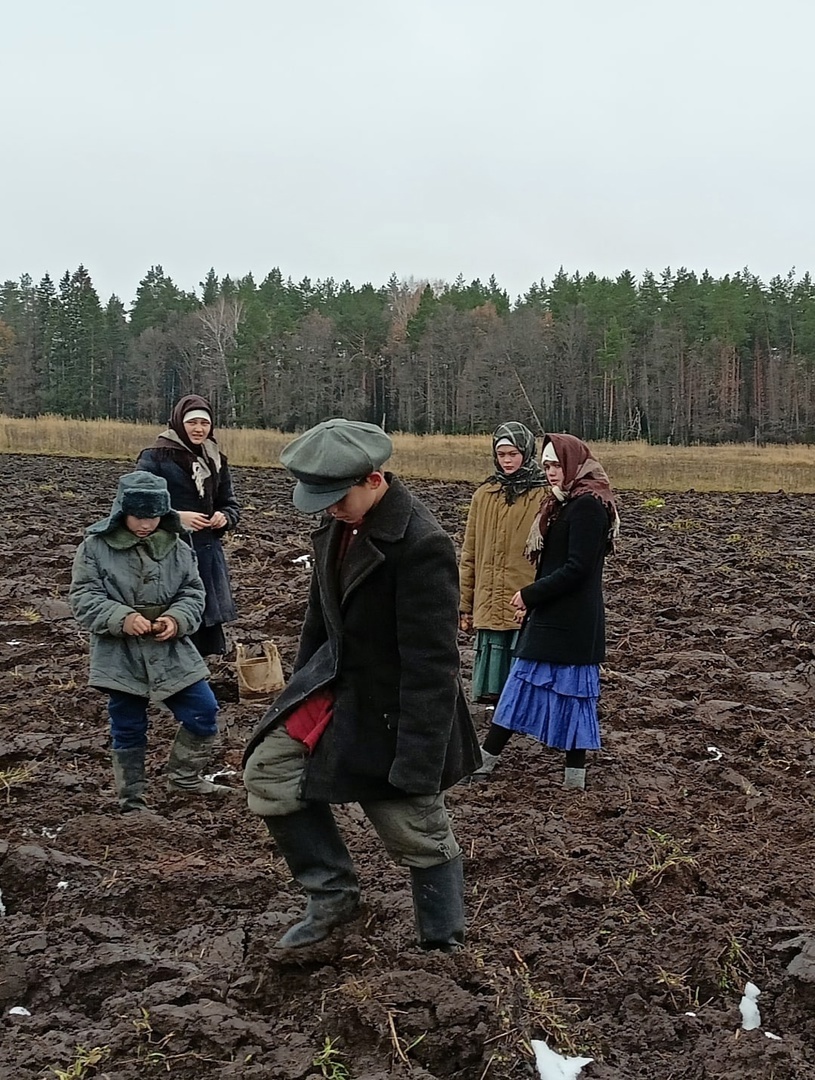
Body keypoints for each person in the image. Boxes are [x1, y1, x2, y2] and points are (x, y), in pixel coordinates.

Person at [243, 418, 480, 952]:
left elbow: (433, 665)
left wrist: (418, 761)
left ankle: (443, 946)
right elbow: (318, 621)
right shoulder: (335, 525)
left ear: (374, 480)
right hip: (332, 689)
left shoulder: (421, 545)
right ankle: (332, 897)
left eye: (336, 496)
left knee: (414, 828)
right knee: (268, 773)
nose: (326, 507)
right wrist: (297, 692)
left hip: (393, 710)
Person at [69, 471, 232, 813]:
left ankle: (184, 777)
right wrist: (122, 619)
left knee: (203, 711)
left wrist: (176, 619)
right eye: (138, 516)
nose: (145, 524)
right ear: (121, 511)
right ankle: (132, 800)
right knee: (128, 725)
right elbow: (84, 597)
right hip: (119, 651)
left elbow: (193, 591)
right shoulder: (95, 546)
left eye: (153, 517)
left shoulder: (177, 543)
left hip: (170, 646)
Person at [472, 433, 619, 790]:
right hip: (555, 616)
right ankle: (486, 762)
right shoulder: (564, 503)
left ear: (574, 464)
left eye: (556, 465)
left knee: (569, 695)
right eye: (548, 465)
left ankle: (492, 763)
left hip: (571, 621)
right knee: (525, 685)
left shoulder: (587, 506)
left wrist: (530, 594)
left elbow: (578, 568)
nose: (551, 472)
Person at [136, 394, 239, 657]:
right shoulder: (155, 457)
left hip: (207, 554)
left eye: (204, 423)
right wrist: (176, 517)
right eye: (192, 422)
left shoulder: (216, 458)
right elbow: (137, 502)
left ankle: (206, 683)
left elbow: (230, 504)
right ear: (180, 423)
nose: (199, 429)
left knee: (206, 625)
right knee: (174, 618)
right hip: (167, 552)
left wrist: (224, 517)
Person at [459, 422, 547, 714]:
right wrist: (465, 604)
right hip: (489, 594)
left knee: (523, 655)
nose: (507, 460)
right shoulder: (484, 495)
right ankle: (498, 708)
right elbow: (470, 552)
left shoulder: (543, 495)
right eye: (501, 454)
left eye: (513, 454)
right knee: (495, 659)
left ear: (526, 452)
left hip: (523, 594)